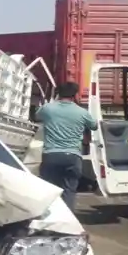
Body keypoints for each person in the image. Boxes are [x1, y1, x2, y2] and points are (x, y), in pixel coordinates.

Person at [35, 81, 98, 211]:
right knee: (69, 192)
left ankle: (47, 221)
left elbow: (36, 116)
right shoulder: (82, 112)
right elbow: (94, 126)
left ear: (58, 94)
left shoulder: (48, 108)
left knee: (48, 190)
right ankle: (67, 223)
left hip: (51, 155)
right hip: (73, 157)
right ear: (75, 95)